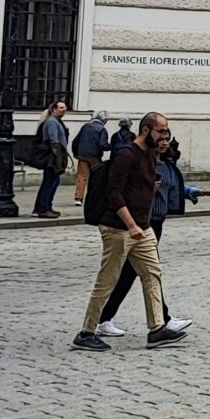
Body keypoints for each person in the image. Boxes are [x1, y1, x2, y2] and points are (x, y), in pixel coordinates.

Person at [73, 111, 190, 351]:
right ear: (146, 131)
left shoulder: (149, 155)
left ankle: (157, 329)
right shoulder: (125, 154)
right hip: (119, 229)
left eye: (166, 132)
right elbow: (113, 193)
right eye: (160, 132)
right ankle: (86, 332)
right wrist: (131, 224)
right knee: (107, 280)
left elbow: (139, 186)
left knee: (152, 274)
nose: (164, 137)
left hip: (142, 228)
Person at [97, 133, 199, 335]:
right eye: (161, 139)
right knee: (144, 272)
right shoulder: (142, 163)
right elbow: (125, 191)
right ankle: (161, 321)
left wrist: (195, 192)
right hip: (142, 222)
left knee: (136, 273)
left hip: (155, 222)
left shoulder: (164, 164)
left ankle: (105, 319)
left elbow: (173, 187)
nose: (165, 144)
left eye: (167, 139)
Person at [29, 99, 70, 216]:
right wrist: (58, 157)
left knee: (51, 181)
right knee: (50, 182)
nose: (64, 109)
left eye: (65, 107)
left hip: (54, 155)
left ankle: (42, 207)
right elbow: (53, 140)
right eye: (61, 107)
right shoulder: (52, 122)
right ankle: (44, 208)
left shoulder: (56, 121)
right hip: (52, 157)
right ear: (54, 109)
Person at [71, 110, 110, 210]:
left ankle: (78, 198)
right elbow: (102, 145)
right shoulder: (102, 129)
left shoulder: (85, 127)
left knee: (82, 176)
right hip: (95, 158)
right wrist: (111, 147)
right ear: (103, 120)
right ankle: (92, 197)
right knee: (95, 178)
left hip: (83, 156)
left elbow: (76, 141)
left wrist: (76, 153)